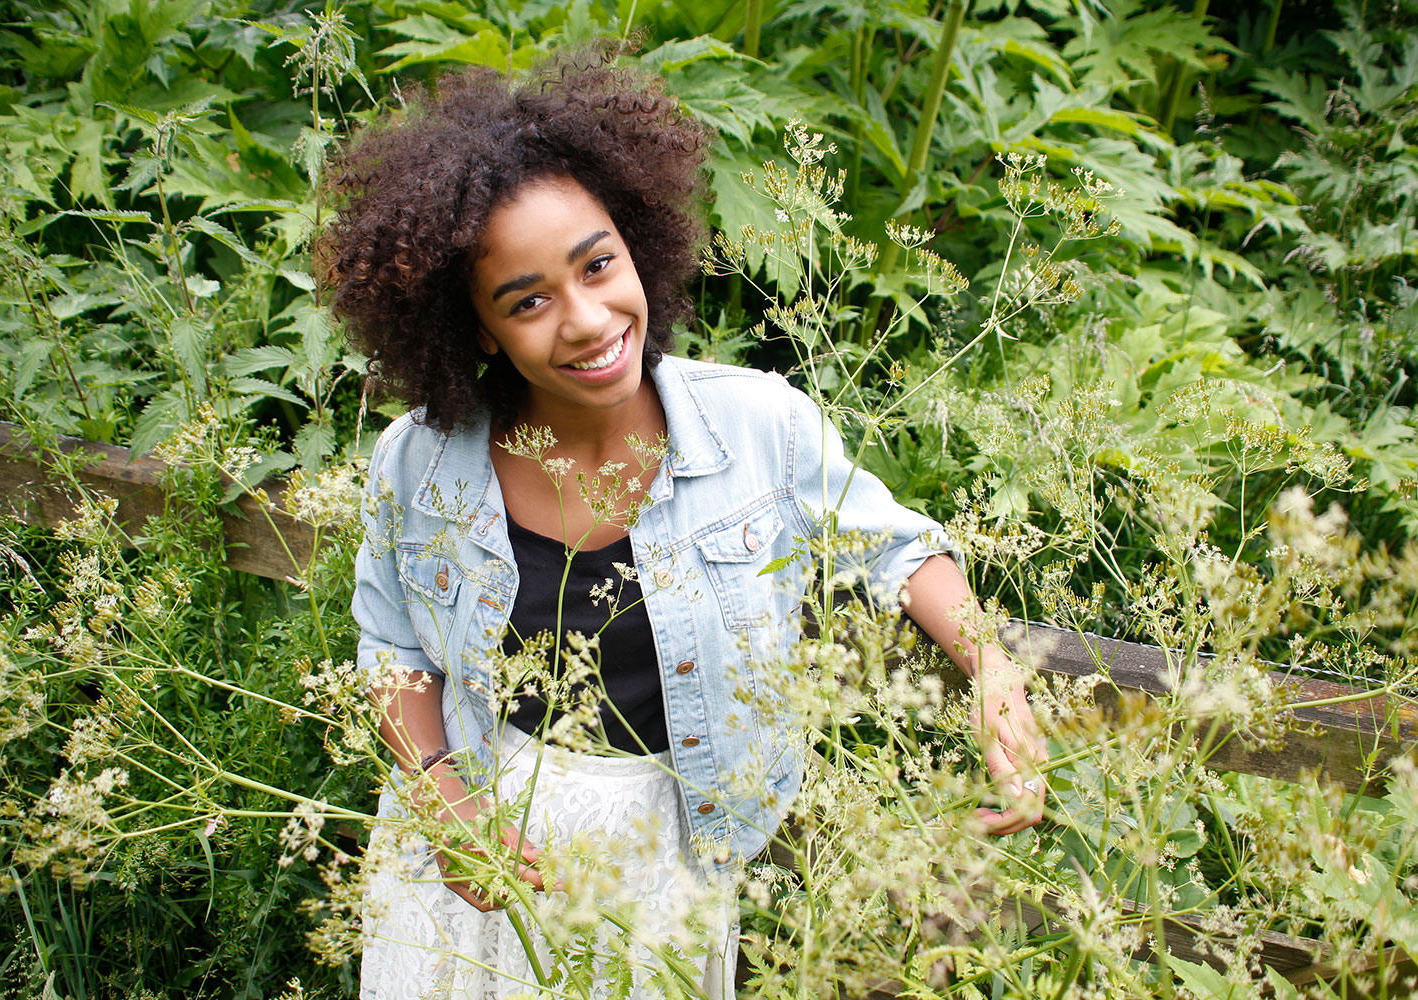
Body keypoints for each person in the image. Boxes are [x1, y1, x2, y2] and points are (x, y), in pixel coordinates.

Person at [323, 48, 1045, 1000]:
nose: (585, 319)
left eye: (598, 265)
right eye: (528, 300)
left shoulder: (758, 424)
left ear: (639, 244)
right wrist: (445, 804)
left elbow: (898, 549)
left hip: (666, 859)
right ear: (476, 329)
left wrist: (991, 666)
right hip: (475, 860)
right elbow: (392, 640)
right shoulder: (420, 462)